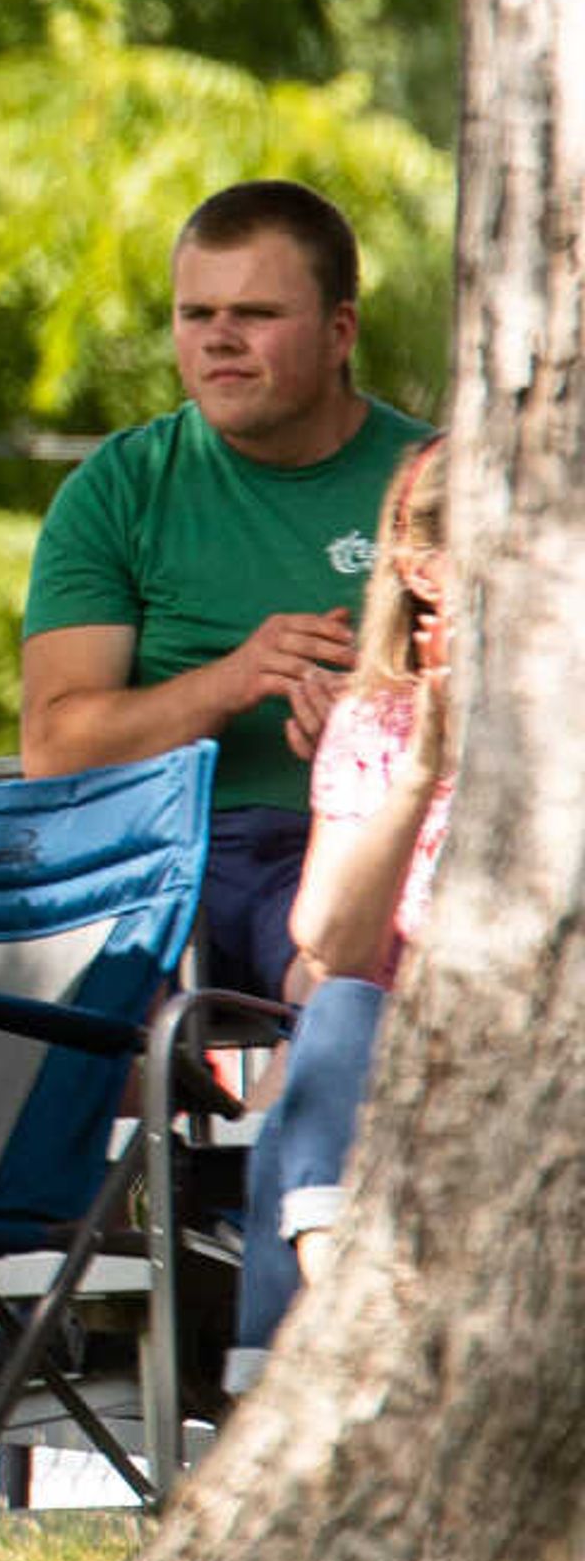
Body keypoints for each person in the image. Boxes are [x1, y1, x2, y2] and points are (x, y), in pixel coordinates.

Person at [19, 179, 432, 997]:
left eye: (257, 315)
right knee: (60, 1009)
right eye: (196, 315)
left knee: (350, 989)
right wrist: (236, 680)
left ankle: (277, 1120)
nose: (220, 340)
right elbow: (55, 749)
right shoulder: (123, 485)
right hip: (152, 854)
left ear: (340, 330)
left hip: (360, 851)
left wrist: (373, 725)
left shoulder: (435, 485)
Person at [228, 438, 451, 1385]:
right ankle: (336, 1313)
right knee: (343, 1009)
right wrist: (421, 775)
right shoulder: (378, 723)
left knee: (292, 1108)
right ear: (421, 569)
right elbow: (330, 942)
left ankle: (294, 1368)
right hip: (394, 1048)